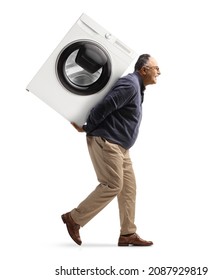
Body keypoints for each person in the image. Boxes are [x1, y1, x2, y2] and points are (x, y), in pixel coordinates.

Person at [61, 54, 161, 246]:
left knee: (129, 189)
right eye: (156, 68)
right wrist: (89, 126)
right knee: (113, 184)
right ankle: (74, 219)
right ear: (144, 69)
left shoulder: (137, 88)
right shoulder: (130, 85)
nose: (159, 72)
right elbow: (105, 105)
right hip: (107, 142)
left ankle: (127, 234)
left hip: (121, 148)